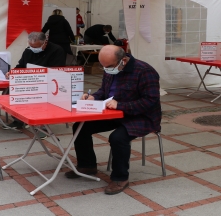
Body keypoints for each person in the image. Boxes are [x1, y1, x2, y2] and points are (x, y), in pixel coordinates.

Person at [66, 45, 161, 195]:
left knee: (117, 138)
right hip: (114, 113)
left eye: (109, 66)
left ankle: (120, 178)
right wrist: (93, 97)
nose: (106, 69)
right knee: (81, 126)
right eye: (103, 66)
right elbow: (104, 91)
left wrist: (122, 105)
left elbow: (151, 101)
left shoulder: (145, 71)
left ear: (123, 60)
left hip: (140, 116)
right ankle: (87, 165)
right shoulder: (110, 68)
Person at [5, 32, 67, 130]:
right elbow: (21, 65)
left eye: (36, 47)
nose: (34, 49)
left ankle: (43, 126)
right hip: (29, 81)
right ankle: (18, 120)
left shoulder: (57, 50)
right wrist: (13, 72)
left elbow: (57, 71)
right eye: (31, 46)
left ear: (45, 42)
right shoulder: (28, 51)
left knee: (39, 95)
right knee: (11, 90)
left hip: (48, 83)